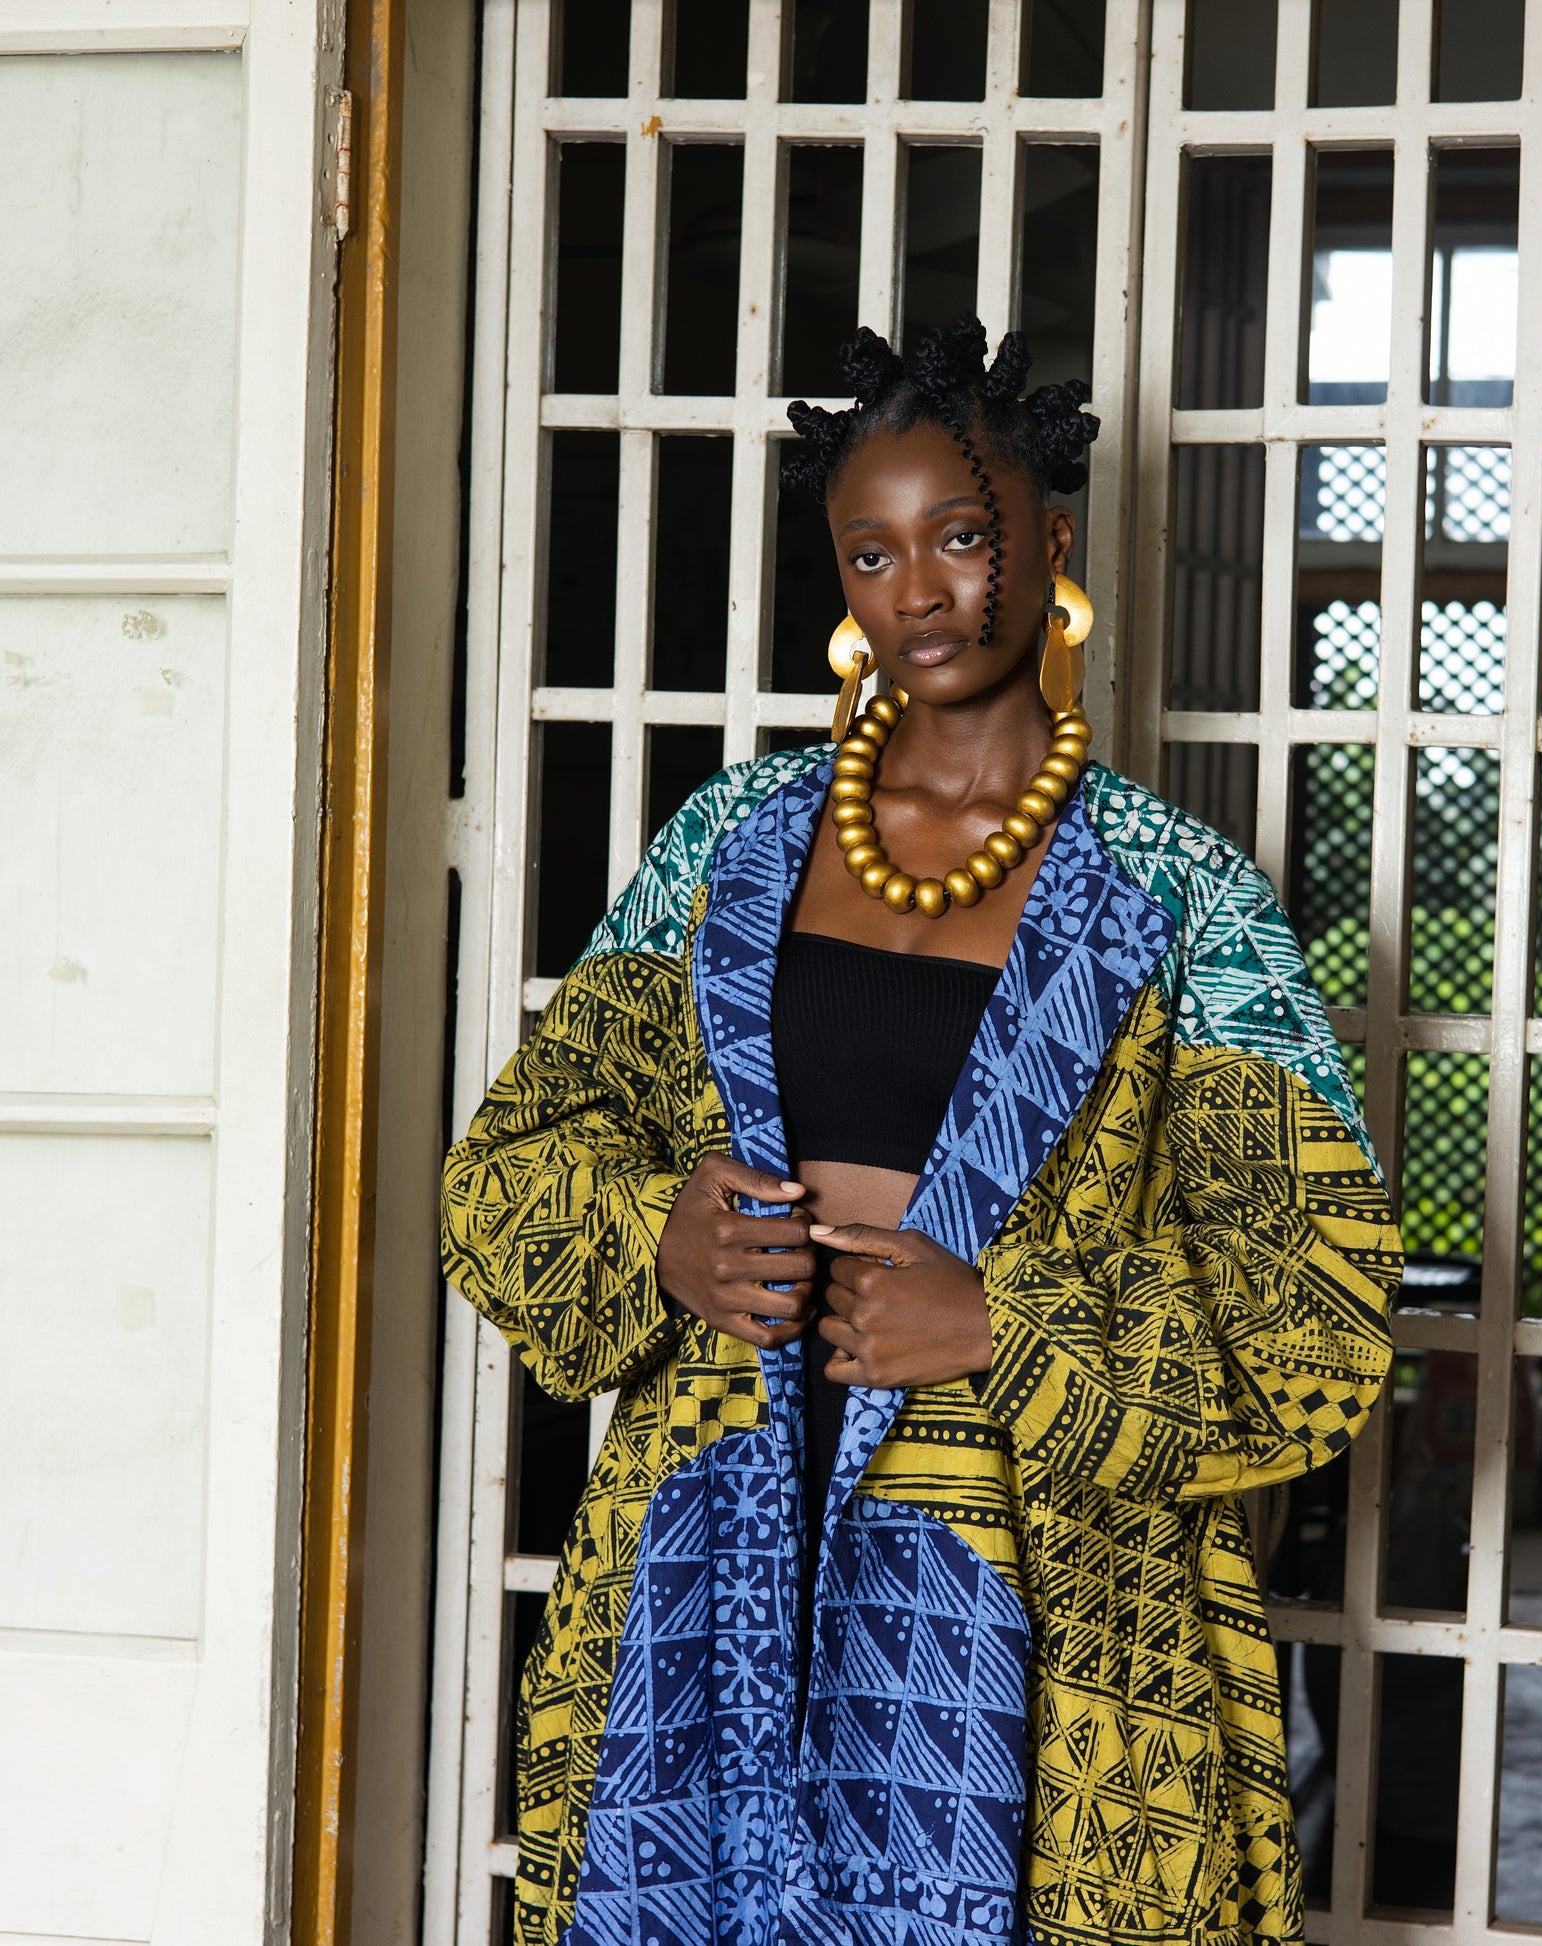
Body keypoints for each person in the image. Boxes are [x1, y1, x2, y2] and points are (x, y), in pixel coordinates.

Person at [441, 315, 1401, 1946]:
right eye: (872, 553)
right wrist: (657, 1230)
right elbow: (509, 1164)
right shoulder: (728, 846)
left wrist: (1002, 1324)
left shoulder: (1181, 897)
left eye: (961, 536)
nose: (920, 592)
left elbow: (1315, 1308)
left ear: (1051, 546)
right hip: (717, 1518)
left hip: (1046, 1568)